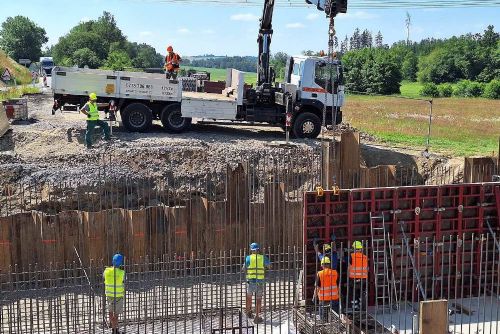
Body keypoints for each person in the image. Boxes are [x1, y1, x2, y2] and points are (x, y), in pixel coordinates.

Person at [244, 242, 271, 324]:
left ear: (251, 250)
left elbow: (243, 268)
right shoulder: (262, 258)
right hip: (259, 282)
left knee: (249, 297)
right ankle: (257, 317)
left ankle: (248, 312)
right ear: (258, 249)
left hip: (250, 281)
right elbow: (270, 266)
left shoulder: (248, 258)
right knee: (258, 299)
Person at [104, 253, 125, 334]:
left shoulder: (106, 271)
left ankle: (112, 326)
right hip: (118, 296)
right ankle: (114, 330)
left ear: (112, 261)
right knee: (116, 315)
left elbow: (104, 278)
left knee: (110, 312)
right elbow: (124, 281)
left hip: (109, 295)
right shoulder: (122, 273)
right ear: (121, 263)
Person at [313, 256, 340, 321]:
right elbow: (338, 286)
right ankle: (335, 327)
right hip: (334, 298)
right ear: (329, 264)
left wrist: (314, 297)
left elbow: (317, 287)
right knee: (335, 317)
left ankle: (324, 327)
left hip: (323, 299)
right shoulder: (335, 273)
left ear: (322, 265)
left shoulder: (320, 274)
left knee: (323, 318)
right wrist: (338, 295)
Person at [347, 240, 368, 311]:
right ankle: (362, 307)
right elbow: (367, 268)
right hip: (363, 279)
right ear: (361, 249)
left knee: (353, 294)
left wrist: (348, 277)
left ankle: (355, 308)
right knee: (361, 293)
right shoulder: (365, 257)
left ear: (354, 248)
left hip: (353, 279)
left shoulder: (351, 256)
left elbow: (349, 268)